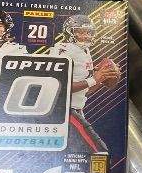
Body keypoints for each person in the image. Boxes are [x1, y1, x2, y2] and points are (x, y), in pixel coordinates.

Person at [48, 14, 119, 153]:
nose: (86, 36)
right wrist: (95, 79)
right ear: (69, 32)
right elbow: (58, 87)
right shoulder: (63, 49)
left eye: (88, 32)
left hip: (76, 109)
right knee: (98, 151)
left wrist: (103, 78)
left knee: (76, 154)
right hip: (62, 109)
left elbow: (84, 91)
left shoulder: (84, 51)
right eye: (80, 32)